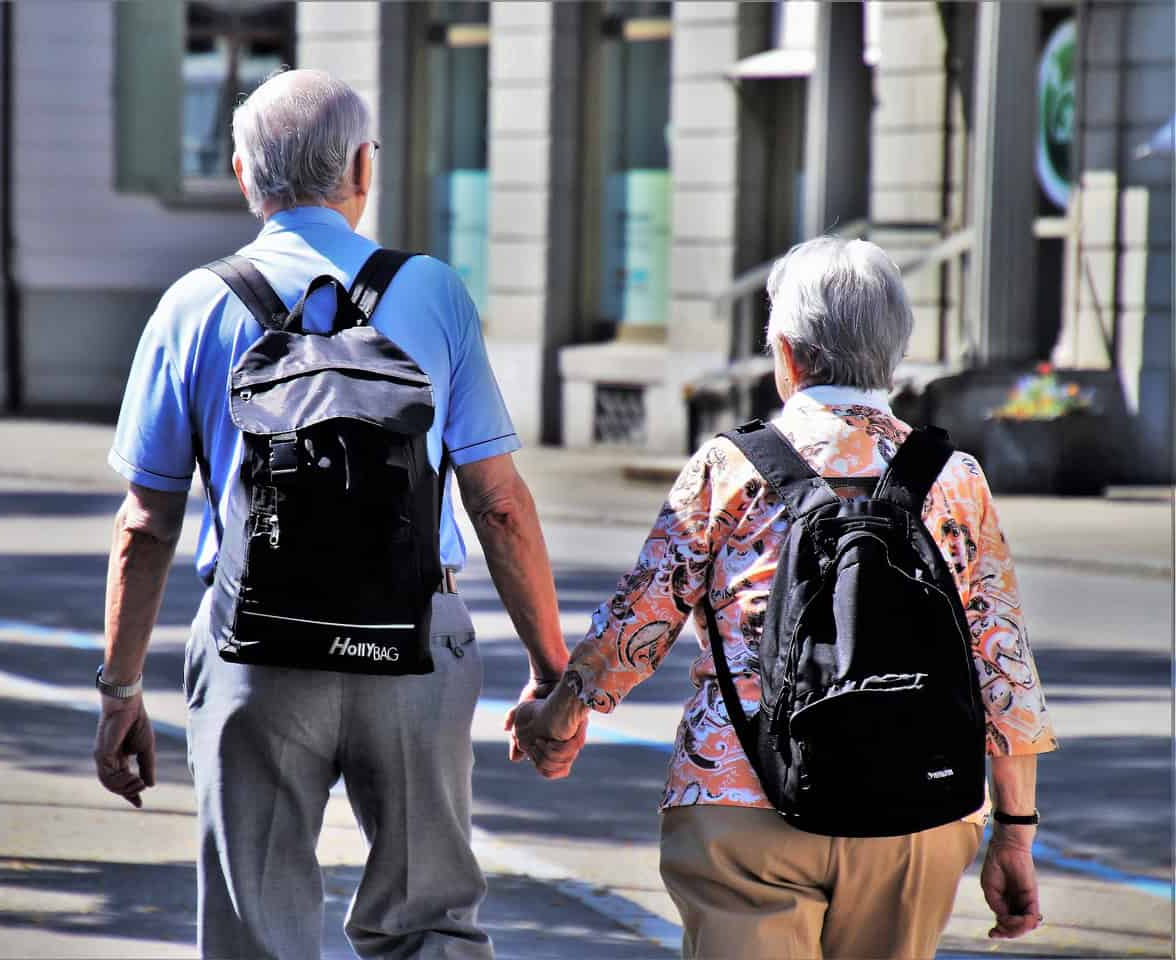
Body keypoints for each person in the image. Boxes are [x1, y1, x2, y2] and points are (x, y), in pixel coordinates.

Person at [93, 69, 581, 960]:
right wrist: (555, 673)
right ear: (364, 168)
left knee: (255, 929)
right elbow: (500, 506)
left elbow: (146, 525)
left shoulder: (192, 304)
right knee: (428, 918)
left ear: (245, 175)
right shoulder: (432, 293)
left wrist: (121, 691)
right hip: (414, 644)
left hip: (256, 650)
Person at [513, 236, 1058, 959]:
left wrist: (559, 714)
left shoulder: (730, 467)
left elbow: (638, 623)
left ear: (789, 355)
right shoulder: (954, 478)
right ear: (893, 353)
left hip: (742, 800)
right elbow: (1003, 666)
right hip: (916, 812)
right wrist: (1014, 832)